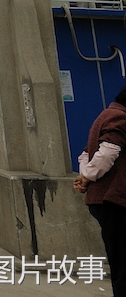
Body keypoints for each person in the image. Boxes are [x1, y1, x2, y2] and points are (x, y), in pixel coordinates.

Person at [75, 85, 126, 295]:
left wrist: (84, 177)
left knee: (118, 256)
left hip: (103, 201)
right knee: (123, 260)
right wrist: (87, 177)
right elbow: (108, 151)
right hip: (114, 200)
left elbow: (86, 153)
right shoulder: (119, 117)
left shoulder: (105, 115)